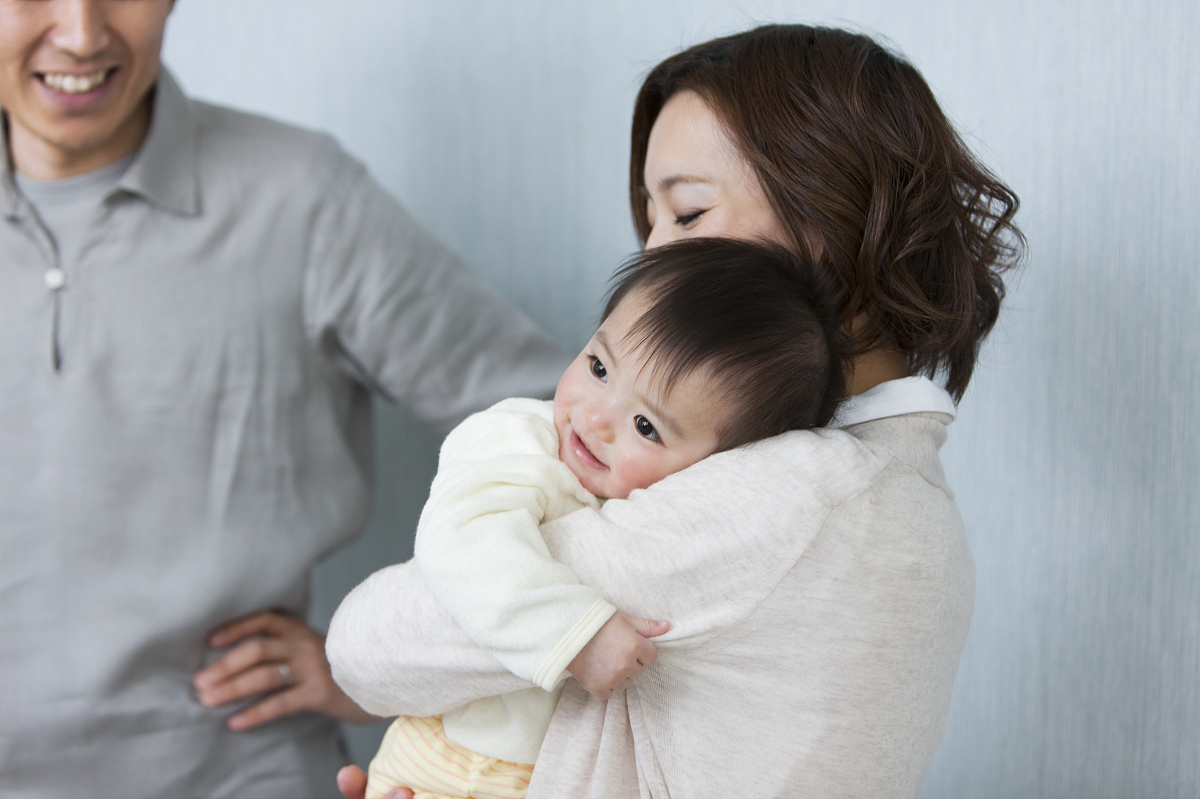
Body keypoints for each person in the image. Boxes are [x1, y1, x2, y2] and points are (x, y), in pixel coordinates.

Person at [328, 23, 1024, 799]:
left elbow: (368, 647)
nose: (657, 256)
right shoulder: (900, 491)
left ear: (834, 215)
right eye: (651, 217)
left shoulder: (791, 492)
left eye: (688, 214)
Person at [0, 1, 567, 797]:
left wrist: (387, 662)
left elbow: (569, 436)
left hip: (236, 772)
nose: (83, 33)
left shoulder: (302, 198)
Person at [362, 238, 850, 799]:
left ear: (717, 471)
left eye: (647, 426)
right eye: (598, 367)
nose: (595, 417)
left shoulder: (682, 518)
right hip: (451, 756)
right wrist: (576, 636)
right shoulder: (517, 440)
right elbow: (461, 543)